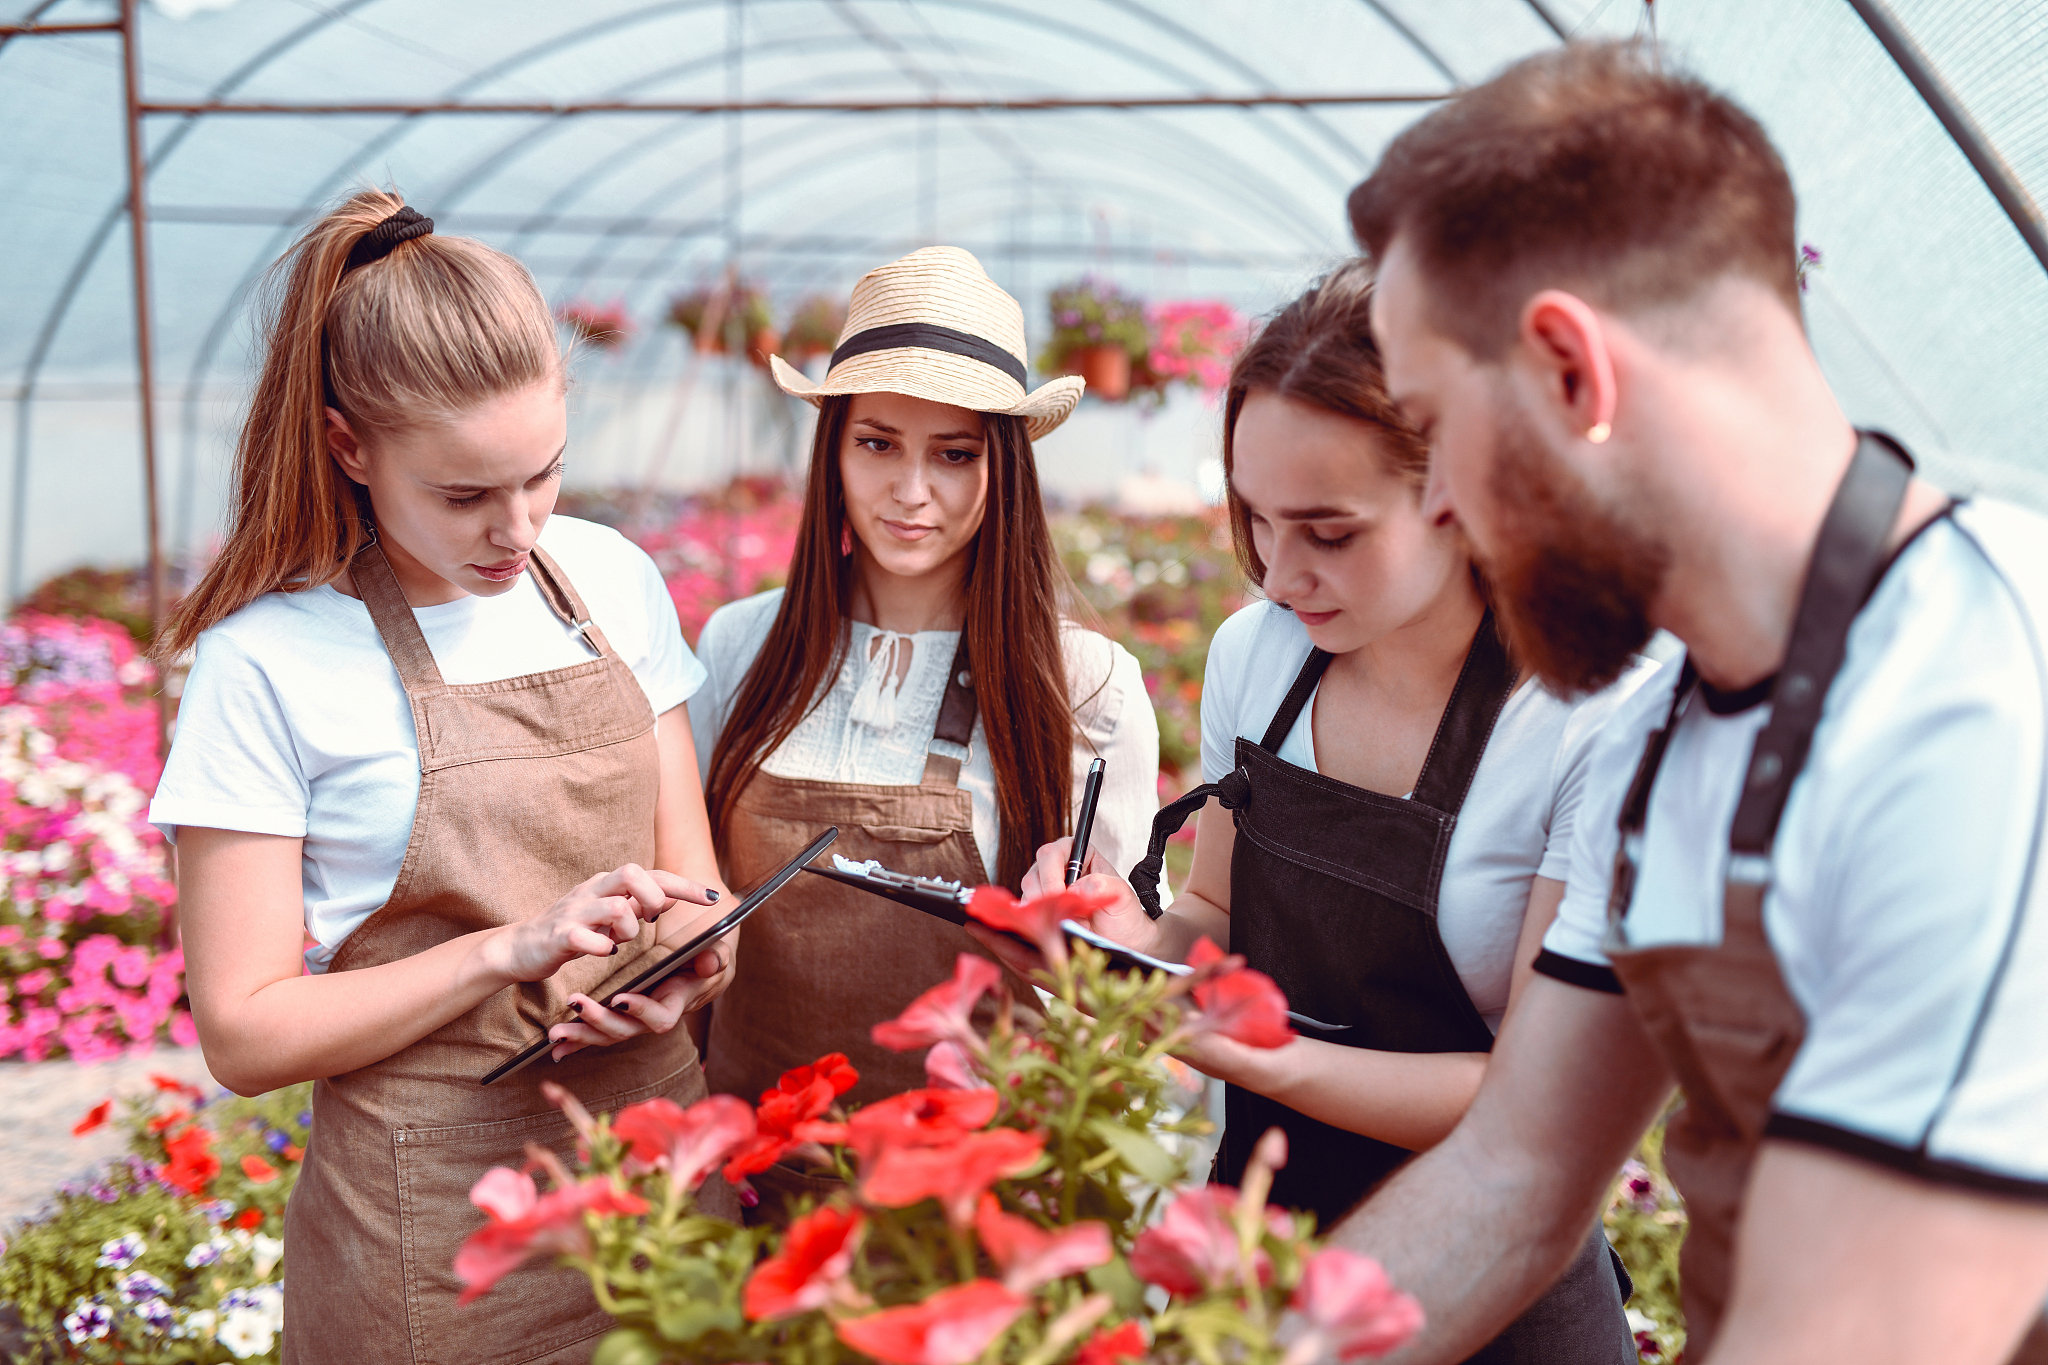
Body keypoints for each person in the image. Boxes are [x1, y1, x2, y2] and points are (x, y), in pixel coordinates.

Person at [1300, 40, 2048, 1365]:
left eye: (1434, 426)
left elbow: (1865, 1333)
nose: (1440, 504)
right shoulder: (1660, 733)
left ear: (1570, 373)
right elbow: (1513, 1179)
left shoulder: (1980, 686)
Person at [1012, 260, 1644, 1362]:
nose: (1275, 574)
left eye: (1329, 532)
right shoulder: (1255, 658)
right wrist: (1118, 947)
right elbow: (1212, 910)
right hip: (1262, 1261)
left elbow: (1533, 1103)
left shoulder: (1581, 717)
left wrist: (1251, 1052)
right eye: (1255, 519)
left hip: (1493, 1295)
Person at [150, 190, 741, 1365]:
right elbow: (245, 1033)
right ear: (347, 447)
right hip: (436, 1230)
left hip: (660, 1177)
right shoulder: (267, 660)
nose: (517, 529)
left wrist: (689, 967)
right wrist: (507, 950)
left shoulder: (611, 579)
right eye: (464, 495)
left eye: (543, 475)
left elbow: (700, 887)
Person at [690, 247, 1159, 1165]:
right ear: (833, 449)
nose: (912, 493)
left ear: (1003, 468)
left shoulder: (1084, 682)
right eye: (878, 444)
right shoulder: (741, 646)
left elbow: (1118, 983)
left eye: (954, 454)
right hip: (747, 1182)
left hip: (970, 1197)